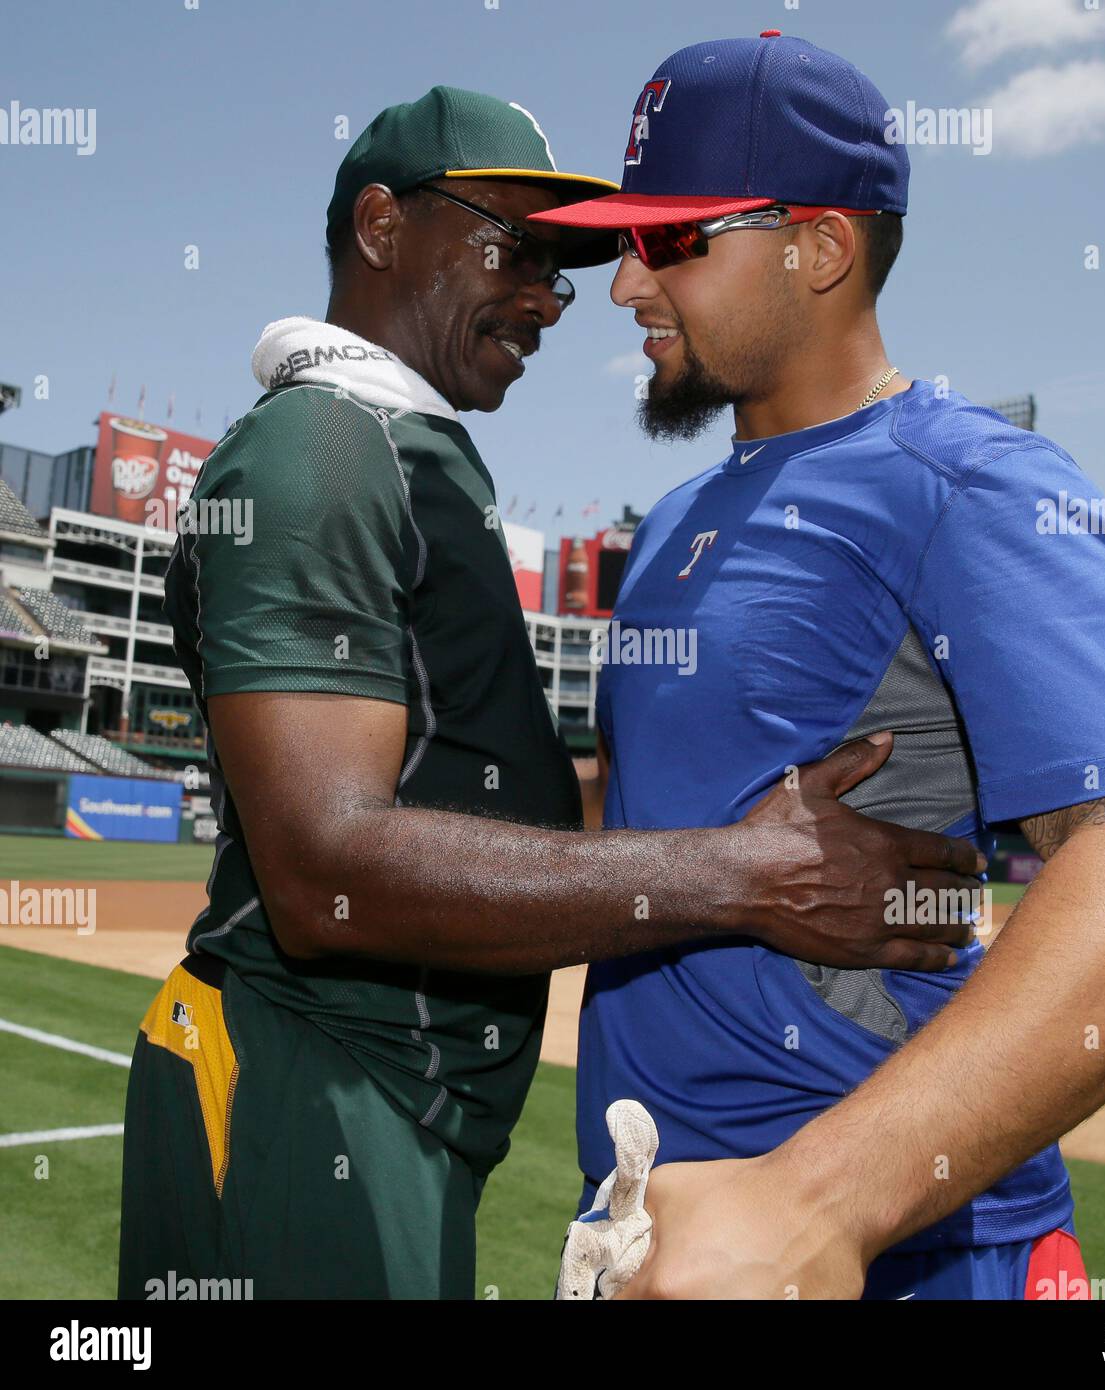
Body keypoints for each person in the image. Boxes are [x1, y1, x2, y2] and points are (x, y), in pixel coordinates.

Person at [116, 85, 984, 1300]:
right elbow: (326, 871)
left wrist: (733, 801)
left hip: (377, 1105)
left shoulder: (402, 453)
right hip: (306, 1095)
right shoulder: (320, 448)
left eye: (563, 270)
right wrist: (742, 875)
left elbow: (483, 794)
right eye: (517, 252)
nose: (548, 299)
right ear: (380, 227)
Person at [532, 32, 1105, 1300]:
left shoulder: (974, 484)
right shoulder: (678, 522)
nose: (626, 285)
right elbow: (634, 819)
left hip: (901, 1252)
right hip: (662, 1241)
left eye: (671, 240)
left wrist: (810, 1207)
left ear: (819, 246)